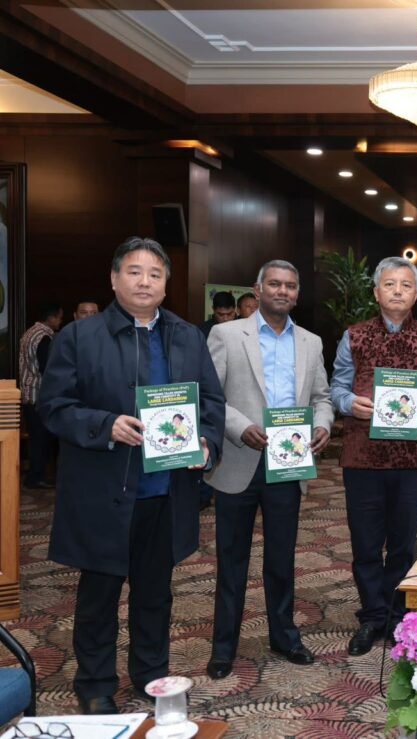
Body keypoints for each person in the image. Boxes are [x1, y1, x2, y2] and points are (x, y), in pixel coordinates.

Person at [37, 237, 224, 715]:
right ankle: (95, 682)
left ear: (166, 284)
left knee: (155, 594)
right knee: (98, 595)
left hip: (165, 491)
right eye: (134, 272)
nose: (145, 282)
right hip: (103, 490)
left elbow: (211, 402)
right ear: (114, 278)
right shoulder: (78, 337)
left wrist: (206, 442)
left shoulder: (187, 336)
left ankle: (151, 674)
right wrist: (106, 425)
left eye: (155, 274)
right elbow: (53, 407)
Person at [204, 260, 334, 680]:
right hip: (238, 460)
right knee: (232, 560)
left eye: (290, 286)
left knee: (281, 558)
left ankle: (285, 637)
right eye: (274, 284)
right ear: (258, 289)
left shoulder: (311, 342)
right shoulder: (226, 335)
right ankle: (223, 648)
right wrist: (240, 427)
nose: (283, 291)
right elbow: (210, 396)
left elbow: (322, 397)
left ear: (297, 293)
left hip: (288, 464)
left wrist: (323, 424)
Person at [330, 256, 417, 656]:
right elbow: (337, 387)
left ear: (416, 294)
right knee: (366, 544)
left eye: (405, 285)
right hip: (363, 456)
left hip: (410, 458)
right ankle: (372, 616)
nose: (397, 291)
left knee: (402, 543)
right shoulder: (354, 336)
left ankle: (398, 615)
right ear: (376, 291)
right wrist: (349, 403)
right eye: (389, 284)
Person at [19, 303, 63, 488]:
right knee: (41, 439)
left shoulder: (29, 333)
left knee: (37, 438)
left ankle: (35, 475)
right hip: (39, 395)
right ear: (51, 318)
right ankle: (37, 478)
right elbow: (47, 368)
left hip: (28, 393)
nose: (60, 322)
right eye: (59, 317)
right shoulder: (44, 337)